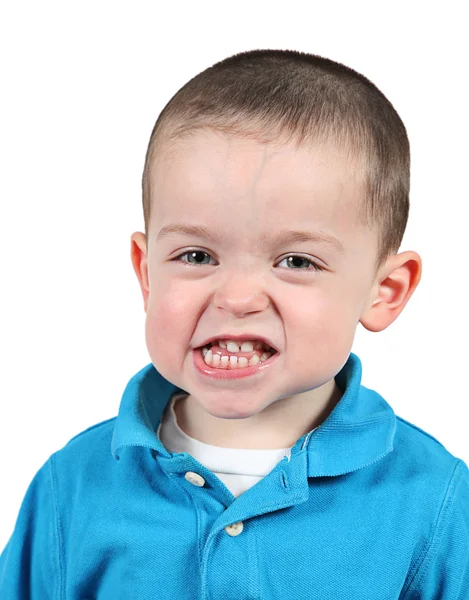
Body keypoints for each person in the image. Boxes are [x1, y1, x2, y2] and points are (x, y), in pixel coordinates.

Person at [1, 48, 468, 599]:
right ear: (146, 274)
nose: (238, 296)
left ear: (383, 292)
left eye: (296, 261)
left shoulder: (437, 503)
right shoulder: (71, 488)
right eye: (197, 256)